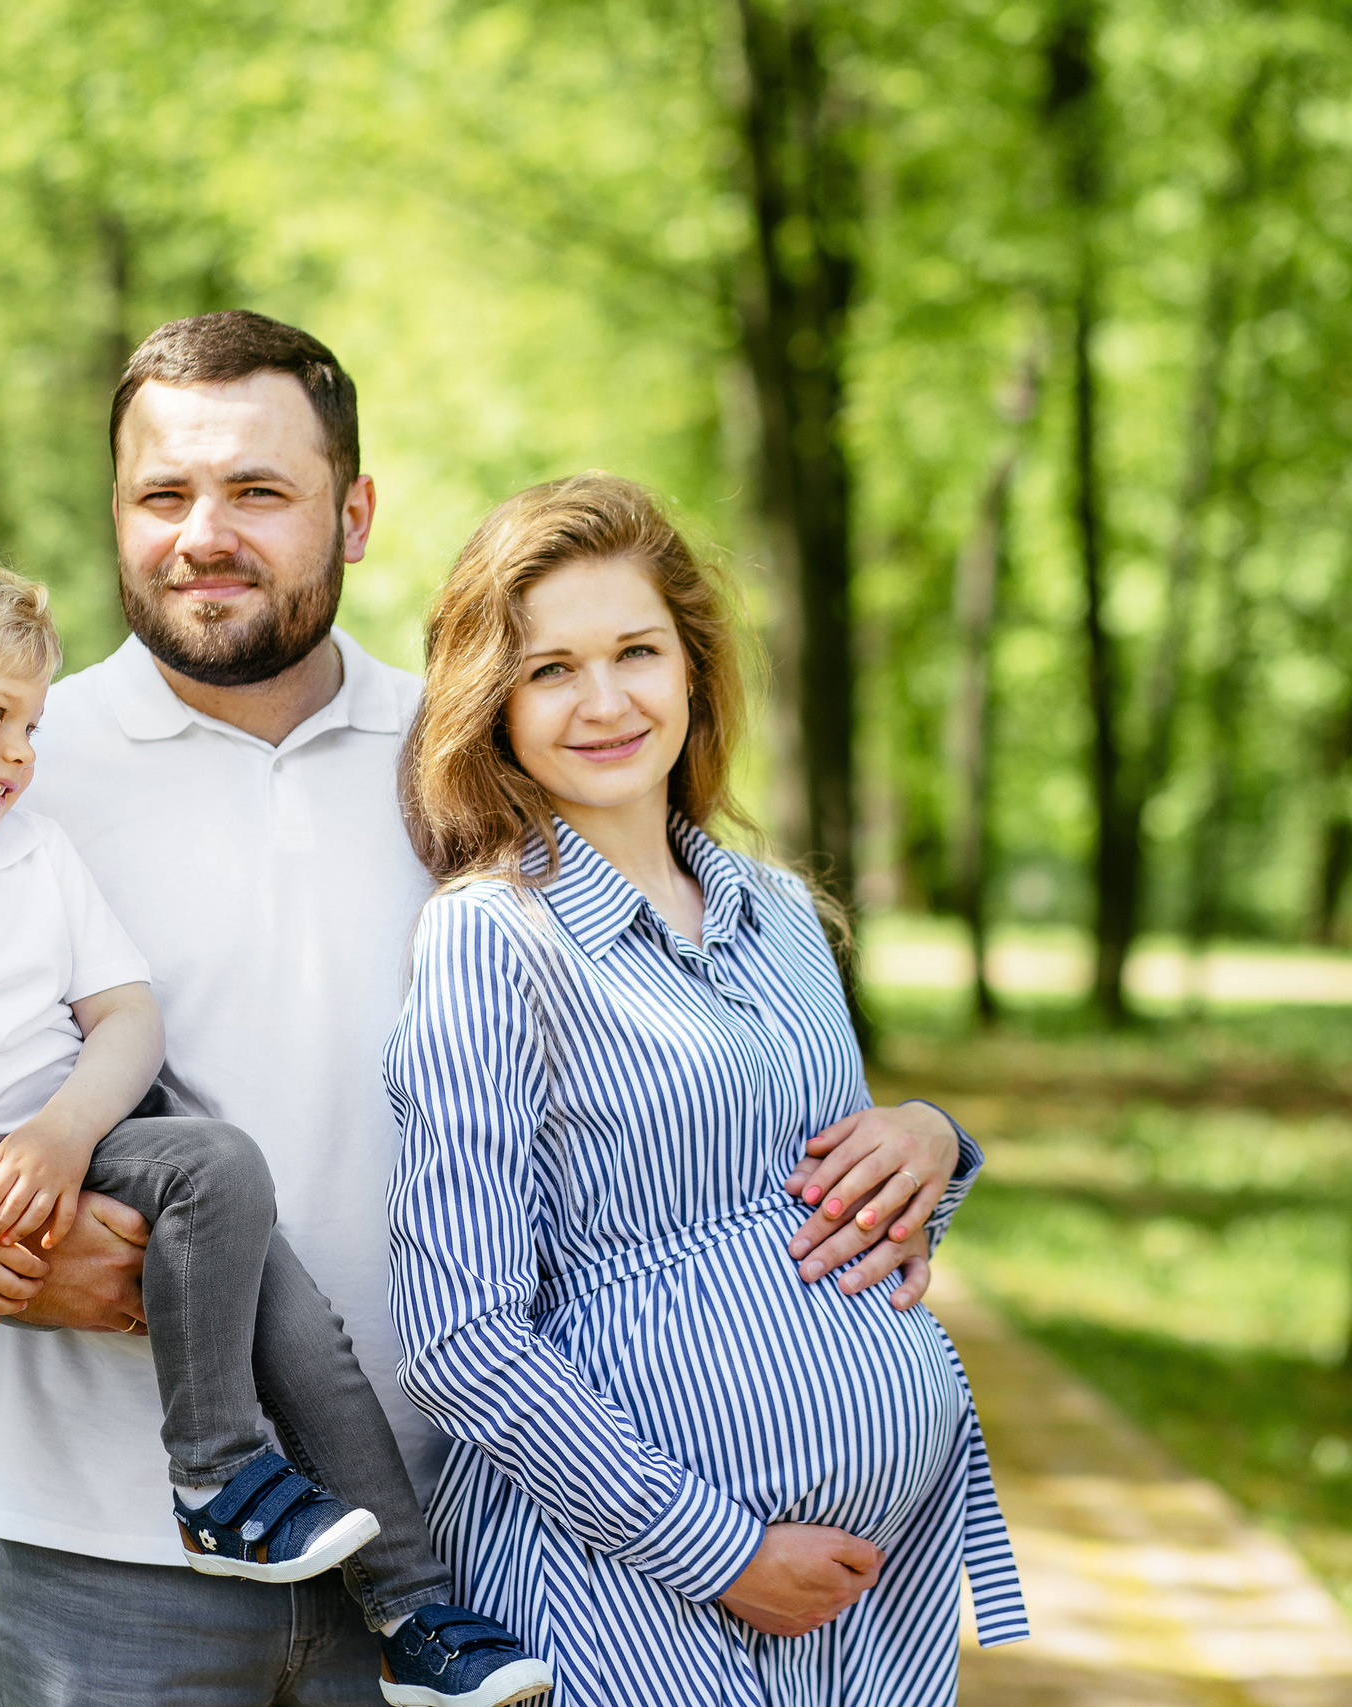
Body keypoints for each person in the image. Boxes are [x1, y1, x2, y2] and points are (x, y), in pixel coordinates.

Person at [0, 312, 945, 1705]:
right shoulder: (5, 760)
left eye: (258, 493)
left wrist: (927, 1134)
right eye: (162, 494)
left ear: (354, 512)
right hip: (109, 1548)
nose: (201, 533)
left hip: (449, 1548)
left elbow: (688, 1005)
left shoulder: (471, 756)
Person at [0, 528, 551, 1707]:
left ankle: (411, 1612)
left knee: (308, 1339)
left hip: (99, 1126)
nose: (22, 752)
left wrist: (60, 1131)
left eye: (32, 725)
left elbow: (125, 1022)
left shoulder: (29, 854)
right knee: (240, 1214)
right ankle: (218, 1471)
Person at [384, 473, 1032, 1706]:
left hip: (865, 1601)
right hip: (624, 1588)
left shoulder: (780, 912)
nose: (607, 700)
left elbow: (826, 1201)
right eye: (550, 670)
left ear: (693, 668)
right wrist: (722, 1553)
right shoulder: (492, 940)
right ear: (493, 705)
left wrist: (932, 1143)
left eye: (637, 650)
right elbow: (460, 1340)